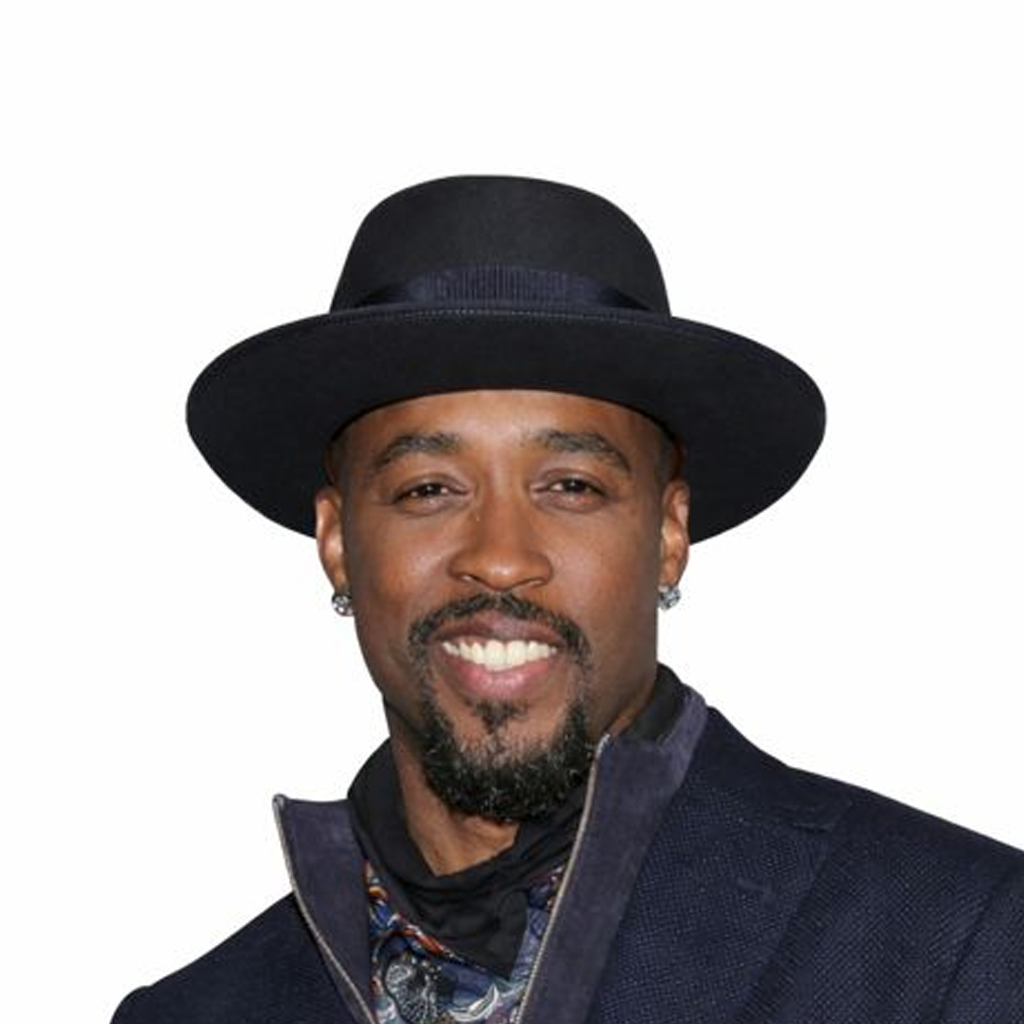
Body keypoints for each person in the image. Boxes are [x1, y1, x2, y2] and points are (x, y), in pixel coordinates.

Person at [112, 176, 1024, 1024]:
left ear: (668, 533)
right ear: (339, 543)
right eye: (429, 489)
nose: (500, 558)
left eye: (571, 487)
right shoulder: (196, 1013)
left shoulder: (955, 944)